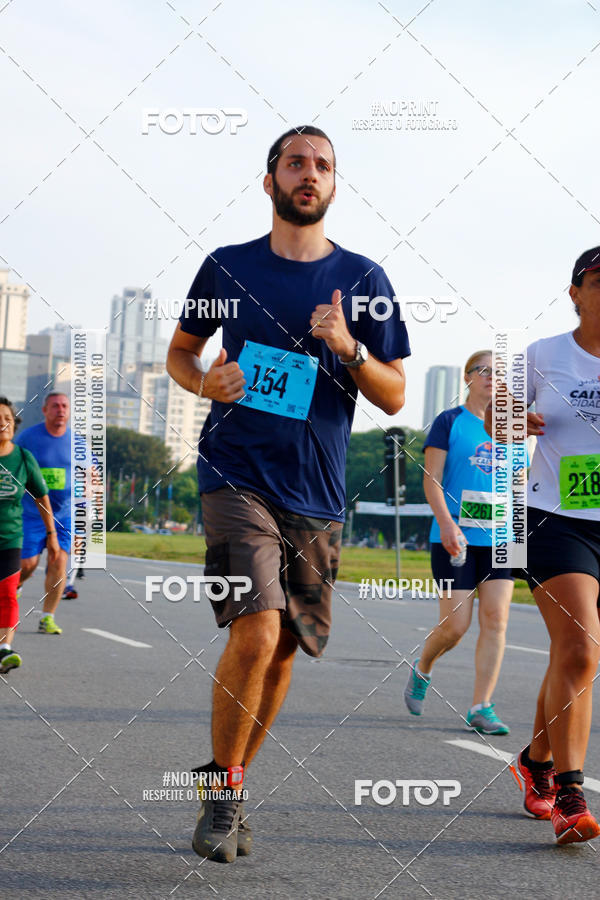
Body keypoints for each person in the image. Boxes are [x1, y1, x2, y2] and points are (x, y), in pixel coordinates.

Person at [166, 126, 410, 863]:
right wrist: (203, 379)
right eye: (296, 163)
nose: (310, 174)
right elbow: (182, 352)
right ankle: (222, 794)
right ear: (269, 179)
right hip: (234, 473)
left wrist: (350, 349)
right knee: (259, 628)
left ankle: (230, 781)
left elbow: (396, 393)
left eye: (323, 166)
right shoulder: (226, 268)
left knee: (286, 652)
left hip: (317, 491)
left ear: (335, 185)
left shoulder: (365, 282)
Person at [496, 247, 600, 845]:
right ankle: (569, 794)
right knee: (583, 649)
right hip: (554, 517)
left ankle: (534, 762)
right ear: (575, 293)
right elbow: (498, 417)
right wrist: (515, 420)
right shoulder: (544, 355)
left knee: (575, 654)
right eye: (599, 280)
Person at [404, 350, 519, 735]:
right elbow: (430, 479)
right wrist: (447, 524)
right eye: (482, 370)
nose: (491, 377)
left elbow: (520, 485)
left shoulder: (515, 426)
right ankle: (424, 668)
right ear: (467, 378)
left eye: (498, 372)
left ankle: (481, 707)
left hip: (503, 537)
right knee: (455, 626)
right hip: (455, 537)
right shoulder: (450, 421)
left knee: (497, 620)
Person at [0, 398, 59, 672]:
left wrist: (52, 535)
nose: (3, 423)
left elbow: (42, 498)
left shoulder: (23, 458)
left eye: (7, 418)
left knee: (8, 594)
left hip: (11, 538)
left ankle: (4, 650)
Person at [16, 392, 72, 634]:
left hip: (65, 515)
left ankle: (47, 617)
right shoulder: (28, 438)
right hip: (31, 514)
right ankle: (12, 587)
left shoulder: (78, 443)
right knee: (27, 564)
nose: (60, 410)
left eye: (64, 406)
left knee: (59, 560)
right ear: (45, 410)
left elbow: (90, 478)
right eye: (55, 406)